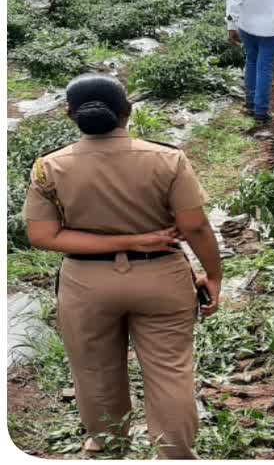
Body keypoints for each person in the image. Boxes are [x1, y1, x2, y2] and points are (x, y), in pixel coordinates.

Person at [22, 73, 223, 459]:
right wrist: (212, 276)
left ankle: (107, 444)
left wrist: (120, 243)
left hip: (86, 283)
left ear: (70, 114)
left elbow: (44, 236)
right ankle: (175, 453)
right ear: (127, 113)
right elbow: (194, 225)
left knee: (95, 371)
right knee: (169, 371)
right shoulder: (166, 159)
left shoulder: (50, 167)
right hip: (161, 277)